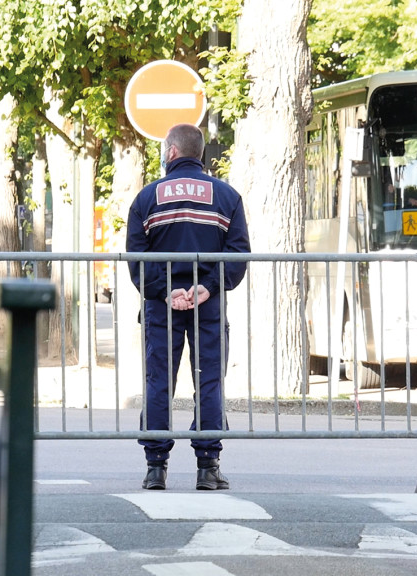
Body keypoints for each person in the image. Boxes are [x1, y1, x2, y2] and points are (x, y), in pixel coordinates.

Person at [125, 123, 251, 491]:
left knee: (159, 382)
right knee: (209, 381)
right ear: (201, 154)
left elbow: (138, 257)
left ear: (171, 152)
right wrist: (208, 288)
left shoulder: (147, 198)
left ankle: (155, 469)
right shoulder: (227, 197)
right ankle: (208, 468)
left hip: (161, 308)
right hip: (208, 307)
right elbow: (238, 254)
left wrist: (165, 292)